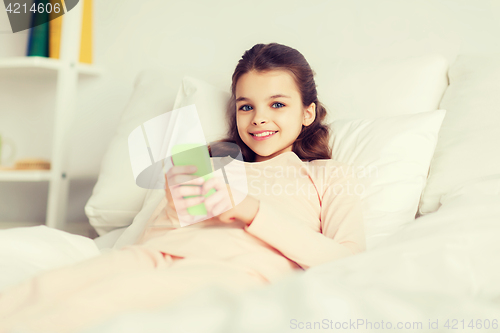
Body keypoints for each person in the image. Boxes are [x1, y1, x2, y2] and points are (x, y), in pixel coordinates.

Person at [0, 43, 366, 333]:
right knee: (43, 291)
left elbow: (349, 259)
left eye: (277, 104)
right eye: (245, 106)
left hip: (230, 272)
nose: (259, 119)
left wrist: (250, 209)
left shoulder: (327, 175)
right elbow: (149, 241)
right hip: (153, 257)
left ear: (307, 113)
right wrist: (174, 210)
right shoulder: (207, 162)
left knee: (81, 313)